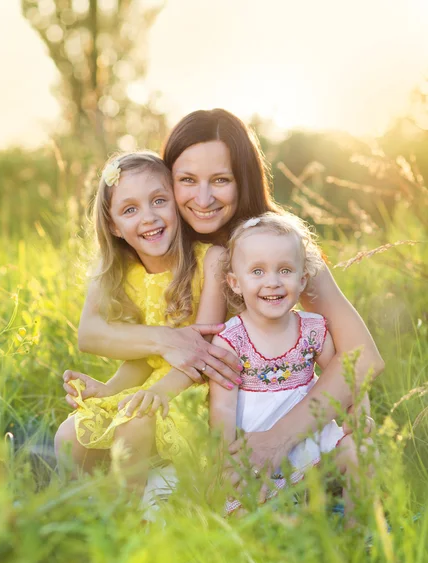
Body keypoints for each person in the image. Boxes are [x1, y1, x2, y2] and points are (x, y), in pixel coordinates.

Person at [65, 108, 384, 482]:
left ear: (243, 180)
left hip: (266, 409)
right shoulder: (160, 243)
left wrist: (276, 439)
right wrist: (165, 343)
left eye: (220, 180)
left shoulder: (278, 248)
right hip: (200, 407)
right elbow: (98, 333)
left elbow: (362, 357)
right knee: (79, 438)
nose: (203, 198)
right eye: (186, 180)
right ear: (169, 181)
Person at [55, 151, 227, 489]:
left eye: (159, 200)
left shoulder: (210, 261)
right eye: (130, 209)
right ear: (114, 226)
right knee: (68, 433)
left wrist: (158, 393)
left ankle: (128, 517)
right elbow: (147, 358)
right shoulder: (126, 276)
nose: (148, 217)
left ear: (177, 204)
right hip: (152, 388)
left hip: (195, 386)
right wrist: (109, 390)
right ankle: (84, 504)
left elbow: (202, 351)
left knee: (134, 426)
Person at [209, 212, 373, 516]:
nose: (272, 282)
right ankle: (285, 534)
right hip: (257, 442)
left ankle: (358, 532)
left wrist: (359, 412)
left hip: (313, 437)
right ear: (235, 282)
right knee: (244, 507)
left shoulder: (313, 329)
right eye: (257, 271)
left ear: (302, 279)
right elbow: (222, 409)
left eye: (284, 270)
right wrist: (224, 460)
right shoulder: (231, 340)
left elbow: (348, 375)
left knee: (361, 453)